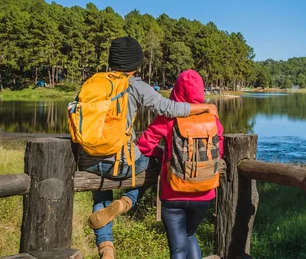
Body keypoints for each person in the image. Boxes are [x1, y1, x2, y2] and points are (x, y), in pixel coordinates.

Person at [73, 37, 218, 259]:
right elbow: (168, 108)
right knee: (155, 165)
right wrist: (205, 107)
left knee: (100, 195)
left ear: (112, 60)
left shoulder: (92, 83)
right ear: (136, 63)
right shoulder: (135, 85)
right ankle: (128, 200)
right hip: (122, 162)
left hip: (89, 161)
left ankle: (106, 249)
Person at [137, 70, 224, 259]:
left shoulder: (167, 118)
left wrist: (161, 153)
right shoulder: (212, 119)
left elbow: (144, 145)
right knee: (190, 235)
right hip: (204, 192)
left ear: (176, 90)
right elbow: (219, 152)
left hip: (173, 191)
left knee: (177, 248)